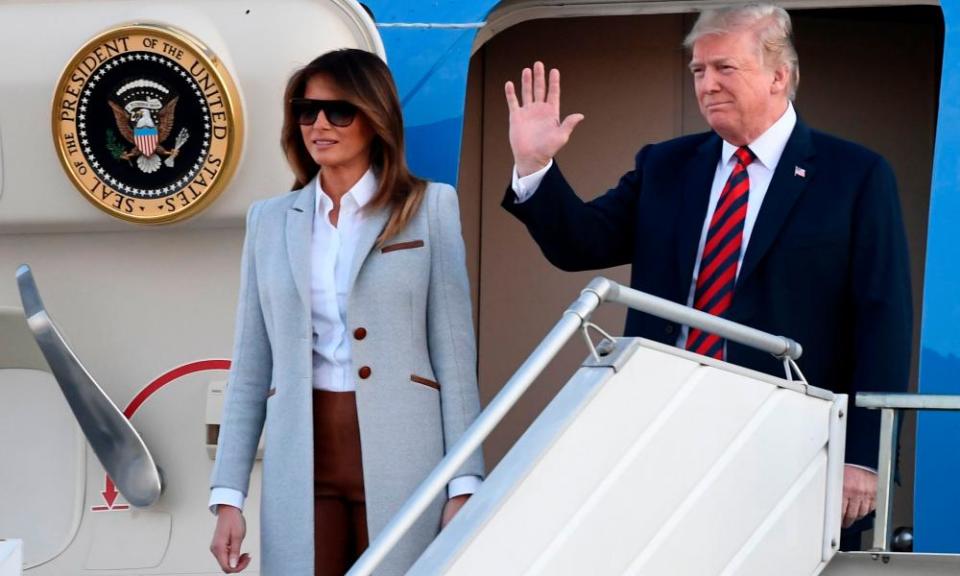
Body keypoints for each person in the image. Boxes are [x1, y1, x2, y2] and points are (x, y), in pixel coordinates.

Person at [502, 4, 910, 549]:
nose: (707, 84)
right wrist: (534, 167)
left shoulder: (855, 175)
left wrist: (863, 456)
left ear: (778, 75)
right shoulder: (666, 165)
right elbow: (581, 243)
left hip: (791, 444)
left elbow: (883, 321)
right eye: (698, 71)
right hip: (663, 429)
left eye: (725, 69)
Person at [208, 48, 484, 575]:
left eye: (338, 111)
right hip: (301, 459)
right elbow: (249, 367)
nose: (318, 124)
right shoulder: (268, 222)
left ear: (374, 116)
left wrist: (465, 480)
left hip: (407, 456)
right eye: (306, 111)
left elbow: (454, 356)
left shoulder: (431, 207)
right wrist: (229, 497)